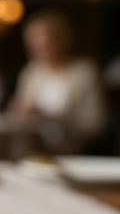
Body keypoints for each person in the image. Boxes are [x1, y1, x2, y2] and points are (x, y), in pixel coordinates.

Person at [9, 11, 104, 148]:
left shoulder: (84, 72)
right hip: (32, 147)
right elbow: (19, 114)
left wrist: (49, 117)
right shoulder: (32, 71)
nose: (41, 51)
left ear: (62, 40)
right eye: (35, 46)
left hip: (74, 148)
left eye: (46, 45)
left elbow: (94, 123)